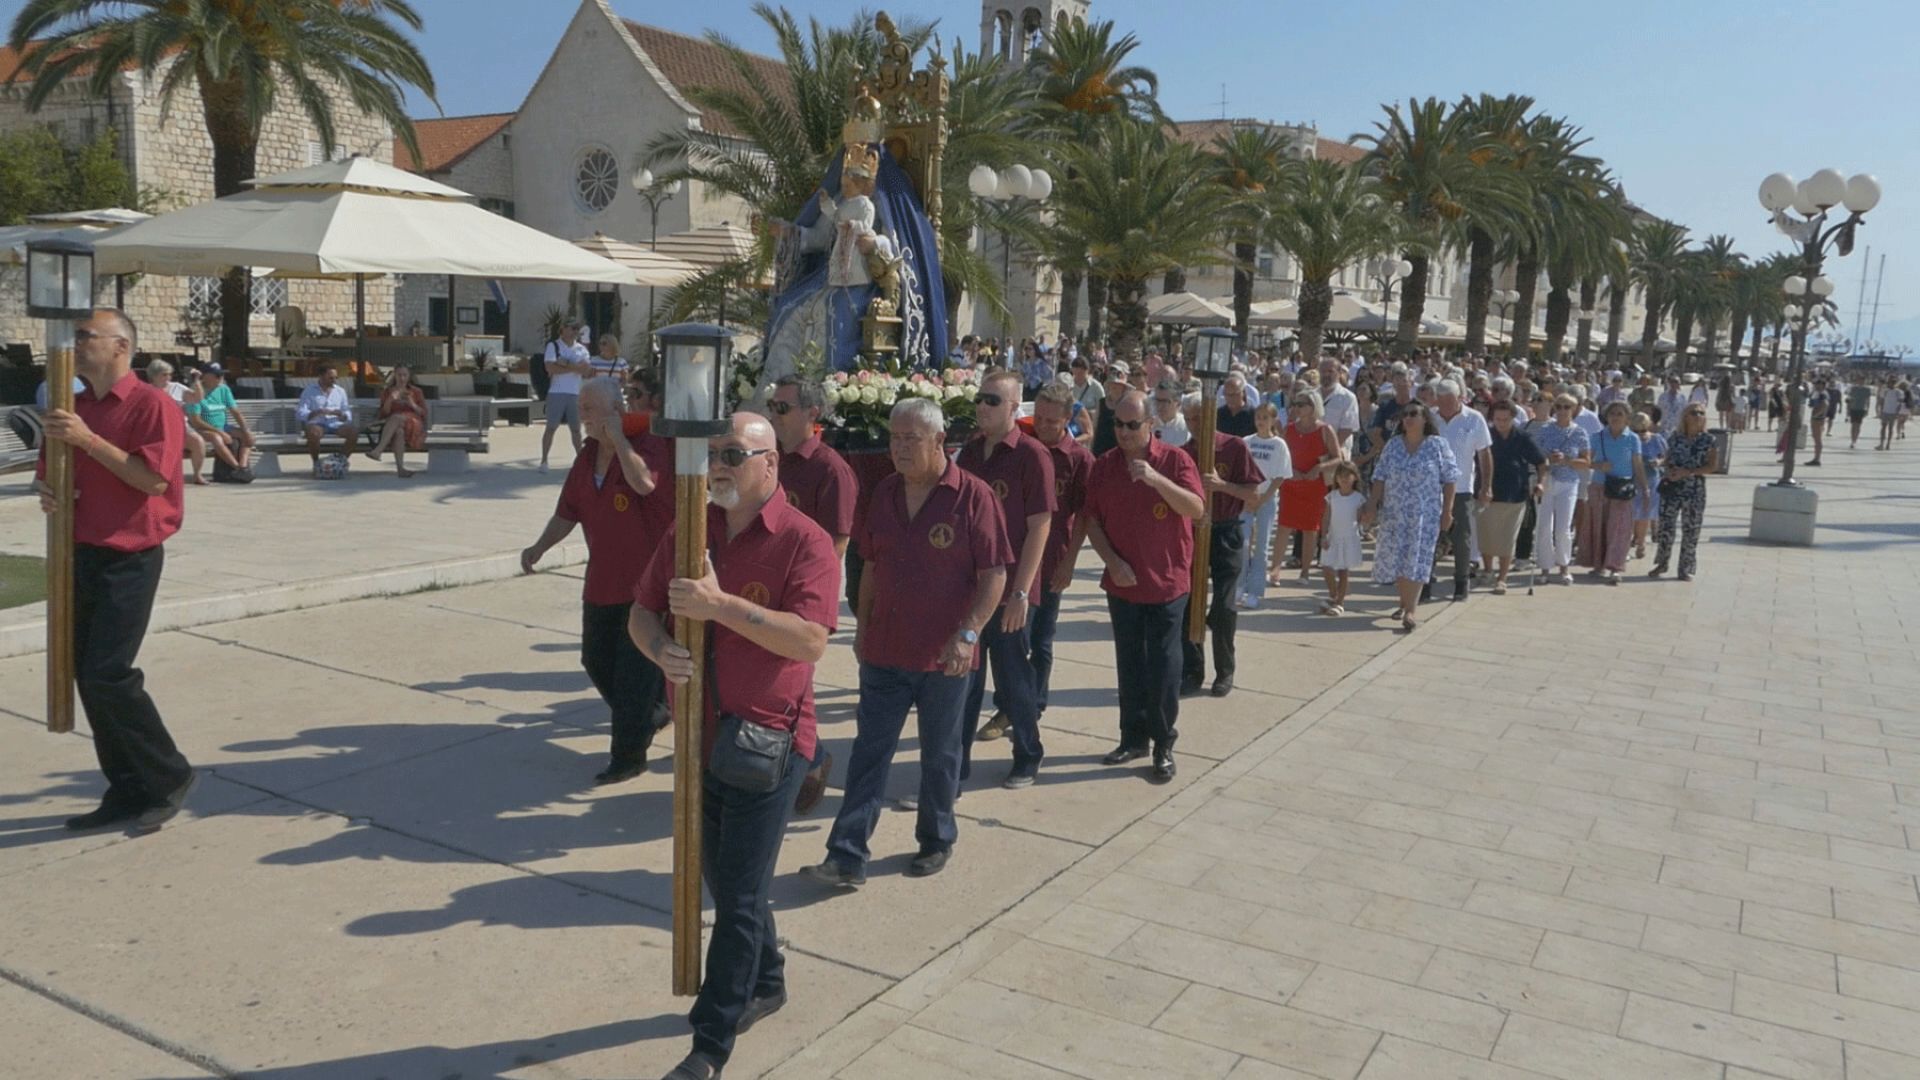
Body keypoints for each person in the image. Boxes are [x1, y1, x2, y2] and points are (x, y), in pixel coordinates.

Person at [630, 413, 838, 1080]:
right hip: (700, 739)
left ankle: (709, 1045)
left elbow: (810, 641)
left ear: (770, 464)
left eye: (732, 454)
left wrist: (720, 607)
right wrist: (661, 646)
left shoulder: (806, 543)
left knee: (741, 898)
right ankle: (769, 978)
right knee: (724, 881)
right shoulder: (692, 531)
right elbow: (640, 612)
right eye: (712, 454)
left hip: (768, 744)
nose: (717, 465)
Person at [808, 398, 1011, 887]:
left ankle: (936, 838)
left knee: (939, 754)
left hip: (946, 657)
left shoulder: (974, 497)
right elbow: (871, 565)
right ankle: (846, 854)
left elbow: (993, 574)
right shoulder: (883, 494)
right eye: (894, 438)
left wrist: (968, 634)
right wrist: (863, 626)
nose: (898, 448)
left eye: (910, 439)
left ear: (940, 441)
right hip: (885, 651)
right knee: (868, 754)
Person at [36, 309, 197, 833]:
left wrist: (87, 440)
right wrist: (47, 489)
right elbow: (51, 473)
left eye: (87, 336)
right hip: (80, 551)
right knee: (88, 675)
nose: (77, 345)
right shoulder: (73, 406)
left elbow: (151, 480)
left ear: (121, 346)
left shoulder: (152, 405)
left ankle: (167, 775)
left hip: (131, 555)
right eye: (76, 336)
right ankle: (127, 788)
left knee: (109, 672)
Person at [521, 377, 670, 784]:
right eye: (581, 408)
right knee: (595, 659)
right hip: (602, 581)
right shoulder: (587, 457)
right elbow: (567, 511)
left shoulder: (650, 446)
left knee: (633, 675)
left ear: (615, 410)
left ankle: (628, 756)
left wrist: (620, 441)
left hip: (645, 586)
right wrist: (539, 547)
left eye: (589, 408)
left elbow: (644, 484)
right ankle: (651, 713)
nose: (583, 416)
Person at [1083, 391, 1205, 781]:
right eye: (1117, 424)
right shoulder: (1104, 467)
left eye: (1132, 425)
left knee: (1164, 668)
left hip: (1167, 583)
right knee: (1130, 664)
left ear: (1151, 425)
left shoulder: (1174, 460)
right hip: (1124, 583)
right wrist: (1112, 562)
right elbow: (1092, 522)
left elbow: (1196, 508)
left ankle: (1163, 744)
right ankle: (1132, 738)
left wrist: (1155, 480)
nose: (1123, 432)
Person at [956, 369, 1055, 788]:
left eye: (993, 400)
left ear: (1015, 407)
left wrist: (1020, 592)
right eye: (980, 398)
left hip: (1013, 588)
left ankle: (1028, 754)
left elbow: (1041, 526)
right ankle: (954, 767)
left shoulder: (1032, 456)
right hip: (973, 588)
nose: (983, 406)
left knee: (1014, 678)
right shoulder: (971, 452)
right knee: (964, 684)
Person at [1179, 394, 1263, 698]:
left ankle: (1224, 671)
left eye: (1199, 417)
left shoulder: (1233, 446)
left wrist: (1221, 485)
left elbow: (1253, 495)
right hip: (1193, 532)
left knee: (1224, 607)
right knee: (1189, 604)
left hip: (1226, 531)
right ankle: (1192, 670)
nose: (1194, 424)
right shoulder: (1183, 453)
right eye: (1189, 418)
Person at [1023, 381, 1092, 719]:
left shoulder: (1078, 459)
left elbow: (1084, 515)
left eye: (1052, 420)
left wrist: (1070, 562)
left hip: (1052, 560)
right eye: (1039, 417)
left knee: (1041, 639)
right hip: (1016, 559)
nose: (1043, 425)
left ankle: (1034, 704)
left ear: (1068, 419)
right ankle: (1013, 702)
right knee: (1013, 640)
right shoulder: (1021, 448)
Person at [1363, 400, 1457, 632]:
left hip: (1425, 515)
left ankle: (1410, 611)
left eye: (1414, 414)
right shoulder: (1394, 445)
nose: (1408, 418)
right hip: (1395, 513)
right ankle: (1405, 603)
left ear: (1425, 418)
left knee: (1417, 560)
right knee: (1398, 559)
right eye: (1405, 415)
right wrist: (1372, 506)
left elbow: (1450, 479)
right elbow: (1380, 476)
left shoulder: (1437, 445)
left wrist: (1448, 511)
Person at [767, 376, 857, 561]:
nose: (774, 415)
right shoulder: (767, 457)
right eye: (771, 406)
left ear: (812, 413)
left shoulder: (831, 470)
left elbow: (835, 544)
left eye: (782, 408)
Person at [1431, 380, 1493, 602]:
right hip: (1431, 488)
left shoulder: (1474, 419)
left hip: (1462, 488)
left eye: (1450, 400)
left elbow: (1484, 455)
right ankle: (1426, 580)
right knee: (1430, 535)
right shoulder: (1430, 417)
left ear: (1460, 398)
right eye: (1441, 400)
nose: (1445, 405)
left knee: (1462, 537)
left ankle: (1461, 581)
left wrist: (1486, 486)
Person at [1274, 391, 1343, 585]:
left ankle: (1305, 571)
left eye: (1302, 404)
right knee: (1284, 526)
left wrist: (1319, 468)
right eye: (1295, 403)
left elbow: (1338, 458)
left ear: (1314, 406)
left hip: (1314, 484)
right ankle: (1275, 569)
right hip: (1292, 483)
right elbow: (1281, 455)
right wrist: (1290, 470)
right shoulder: (1289, 429)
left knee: (1310, 529)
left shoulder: (1325, 430)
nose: (1297, 407)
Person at [1480, 400, 1547, 595]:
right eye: (1497, 419)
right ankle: (1487, 570)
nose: (1501, 423)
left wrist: (1541, 482)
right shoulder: (1487, 435)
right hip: (1488, 492)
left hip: (1515, 492)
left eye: (1505, 419)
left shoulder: (1522, 437)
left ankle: (1502, 578)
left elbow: (1542, 462)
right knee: (1487, 535)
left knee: (1507, 538)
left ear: (1513, 418)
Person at [1579, 400, 1645, 585]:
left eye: (1620, 414)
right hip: (1600, 486)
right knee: (1598, 527)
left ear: (1627, 418)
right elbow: (1585, 461)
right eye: (1612, 414)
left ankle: (1616, 567)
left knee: (1620, 529)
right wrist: (1599, 465)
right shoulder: (1597, 437)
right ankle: (1598, 565)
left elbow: (1637, 464)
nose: (1615, 417)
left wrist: (1645, 489)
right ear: (1606, 417)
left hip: (1622, 490)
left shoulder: (1632, 438)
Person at [1651, 404, 1718, 582]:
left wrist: (1688, 472)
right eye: (1693, 413)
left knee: (1691, 529)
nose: (1697, 416)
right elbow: (1668, 457)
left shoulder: (1709, 440)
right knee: (1666, 527)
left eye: (1701, 413)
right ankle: (1662, 563)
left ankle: (1685, 568)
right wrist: (1661, 462)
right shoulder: (1675, 437)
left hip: (1694, 489)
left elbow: (1712, 466)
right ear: (1685, 417)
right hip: (1671, 487)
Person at [1532, 394, 1591, 586]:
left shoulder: (1580, 432)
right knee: (1543, 527)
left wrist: (1566, 460)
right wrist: (1549, 459)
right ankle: (1544, 567)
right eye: (1559, 406)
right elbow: (1537, 457)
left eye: (1567, 407)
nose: (1563, 410)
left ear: (1573, 409)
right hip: (1548, 480)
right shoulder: (1545, 430)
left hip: (1568, 482)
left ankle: (1564, 567)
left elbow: (1586, 462)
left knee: (1563, 528)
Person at [1238, 402, 1290, 609]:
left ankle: (1255, 591)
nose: (1260, 421)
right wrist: (1247, 497)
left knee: (1261, 546)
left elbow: (1280, 477)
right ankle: (1240, 586)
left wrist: (1263, 498)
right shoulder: (1246, 442)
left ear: (1273, 420)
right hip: (1247, 497)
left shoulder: (1279, 444)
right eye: (1258, 417)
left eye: (1265, 418)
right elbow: (1240, 471)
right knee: (1242, 544)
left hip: (1267, 499)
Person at [540, 318, 591, 472]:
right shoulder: (554, 346)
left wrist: (566, 364)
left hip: (575, 392)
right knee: (551, 427)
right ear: (563, 329)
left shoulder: (581, 349)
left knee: (576, 429)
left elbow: (587, 371)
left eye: (577, 329)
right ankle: (544, 460)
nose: (574, 332)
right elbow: (551, 368)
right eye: (572, 328)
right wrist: (575, 367)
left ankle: (580, 460)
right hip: (557, 392)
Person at [146, 359, 207, 485]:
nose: (168, 377)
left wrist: (196, 381)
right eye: (164, 374)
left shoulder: (177, 387)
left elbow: (197, 398)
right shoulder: (147, 390)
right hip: (156, 428)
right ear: (154, 375)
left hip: (179, 426)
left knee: (198, 442)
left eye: (169, 374)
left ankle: (197, 475)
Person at [186, 362, 254, 473]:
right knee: (217, 438)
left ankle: (243, 467)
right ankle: (236, 468)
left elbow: (235, 412)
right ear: (205, 376)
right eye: (217, 375)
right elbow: (196, 421)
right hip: (201, 429)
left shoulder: (224, 389)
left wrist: (246, 431)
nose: (221, 378)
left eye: (222, 375)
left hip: (223, 426)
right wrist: (219, 432)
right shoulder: (195, 392)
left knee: (248, 437)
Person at [1318, 460, 1364, 614]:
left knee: (1343, 571)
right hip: (1333, 537)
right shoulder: (1332, 496)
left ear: (1355, 478)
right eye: (1341, 476)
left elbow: (1360, 519)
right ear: (1336, 478)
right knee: (1326, 567)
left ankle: (1340, 602)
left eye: (1348, 475)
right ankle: (1333, 594)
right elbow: (1326, 517)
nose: (1344, 479)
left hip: (1348, 538)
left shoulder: (1358, 498)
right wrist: (1323, 535)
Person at [368, 364, 427, 477]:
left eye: (405, 375)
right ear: (394, 375)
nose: (402, 378)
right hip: (393, 425)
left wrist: (412, 404)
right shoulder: (388, 391)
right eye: (399, 375)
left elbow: (423, 413)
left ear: (409, 376)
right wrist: (390, 399)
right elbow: (383, 413)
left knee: (396, 418)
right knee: (398, 432)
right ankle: (401, 469)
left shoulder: (416, 391)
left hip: (413, 423)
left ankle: (378, 450)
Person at [296, 364, 359, 467]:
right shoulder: (309, 390)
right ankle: (316, 462)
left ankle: (340, 461)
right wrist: (317, 412)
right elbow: (300, 412)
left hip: (335, 423)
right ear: (321, 376)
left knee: (353, 432)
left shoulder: (340, 391)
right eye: (330, 378)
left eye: (335, 378)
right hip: (317, 422)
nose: (334, 380)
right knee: (314, 433)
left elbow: (346, 410)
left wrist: (343, 415)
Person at [1630, 410, 1668, 560]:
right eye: (1636, 430)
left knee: (1645, 514)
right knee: (1632, 514)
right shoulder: (1630, 439)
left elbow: (1666, 456)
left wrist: (1658, 462)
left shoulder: (1656, 439)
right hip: (1632, 480)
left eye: (1643, 429)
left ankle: (1641, 543)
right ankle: (1632, 539)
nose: (1640, 433)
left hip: (1652, 480)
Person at [1087, 361, 1130, 454]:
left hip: (1120, 450)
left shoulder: (1127, 404)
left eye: (1118, 384)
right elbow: (1095, 427)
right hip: (1100, 449)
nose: (1114, 386)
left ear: (1123, 387)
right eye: (1112, 383)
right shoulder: (1101, 403)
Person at [1151, 382, 1190, 447]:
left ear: (1178, 404)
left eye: (1165, 401)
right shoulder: (1148, 425)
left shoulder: (1187, 426)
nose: (1159, 406)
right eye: (1157, 400)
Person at [1847, 377, 1875, 449]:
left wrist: (1867, 409)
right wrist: (1848, 409)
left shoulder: (1867, 389)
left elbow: (1868, 400)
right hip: (1853, 408)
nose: (1861, 381)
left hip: (1861, 408)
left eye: (1862, 380)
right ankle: (1852, 440)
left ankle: (1855, 440)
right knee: (1853, 425)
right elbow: (1850, 398)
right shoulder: (1853, 388)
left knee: (1858, 425)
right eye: (1859, 380)